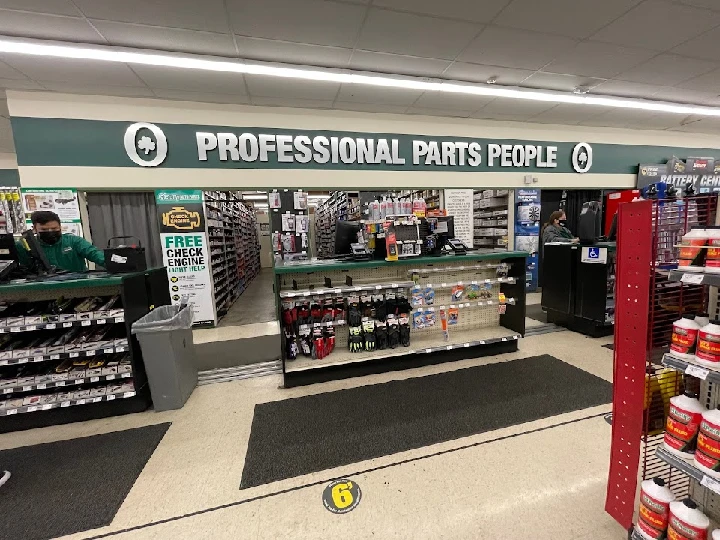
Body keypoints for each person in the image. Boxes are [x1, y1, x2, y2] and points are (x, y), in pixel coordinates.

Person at [17, 211, 105, 272]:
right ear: (34, 229)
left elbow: (95, 254)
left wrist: (114, 264)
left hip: (77, 285)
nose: (50, 231)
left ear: (60, 227)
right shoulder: (26, 246)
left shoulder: (73, 241)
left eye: (54, 228)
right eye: (44, 229)